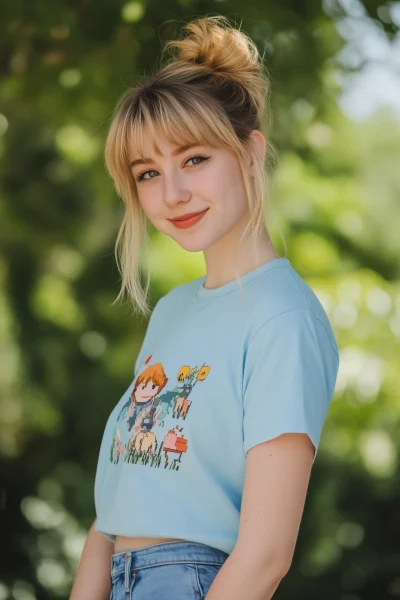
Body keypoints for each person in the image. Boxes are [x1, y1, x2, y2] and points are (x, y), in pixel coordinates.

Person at [70, 15, 339, 600]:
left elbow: (265, 555)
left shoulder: (283, 319)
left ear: (249, 153)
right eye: (148, 173)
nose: (172, 194)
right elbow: (114, 506)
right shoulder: (171, 311)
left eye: (194, 159)